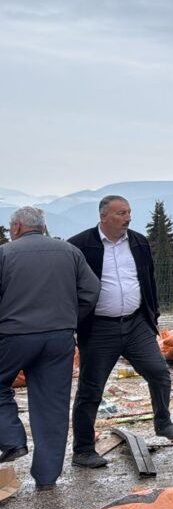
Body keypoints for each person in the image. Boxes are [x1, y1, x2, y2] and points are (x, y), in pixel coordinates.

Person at [68, 195, 173, 468]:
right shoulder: (80, 245)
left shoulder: (138, 242)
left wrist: (151, 315)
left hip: (135, 324)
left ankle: (163, 422)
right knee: (91, 389)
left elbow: (148, 280)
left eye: (129, 212)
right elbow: (70, 286)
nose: (128, 218)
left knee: (159, 372)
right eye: (121, 213)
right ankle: (83, 450)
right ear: (103, 216)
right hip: (98, 329)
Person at [0, 207, 100, 490]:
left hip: (13, 335)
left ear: (17, 227)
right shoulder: (69, 252)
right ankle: (46, 478)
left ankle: (11, 439)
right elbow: (92, 291)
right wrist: (68, 317)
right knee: (52, 406)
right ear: (42, 227)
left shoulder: (5, 254)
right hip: (59, 338)